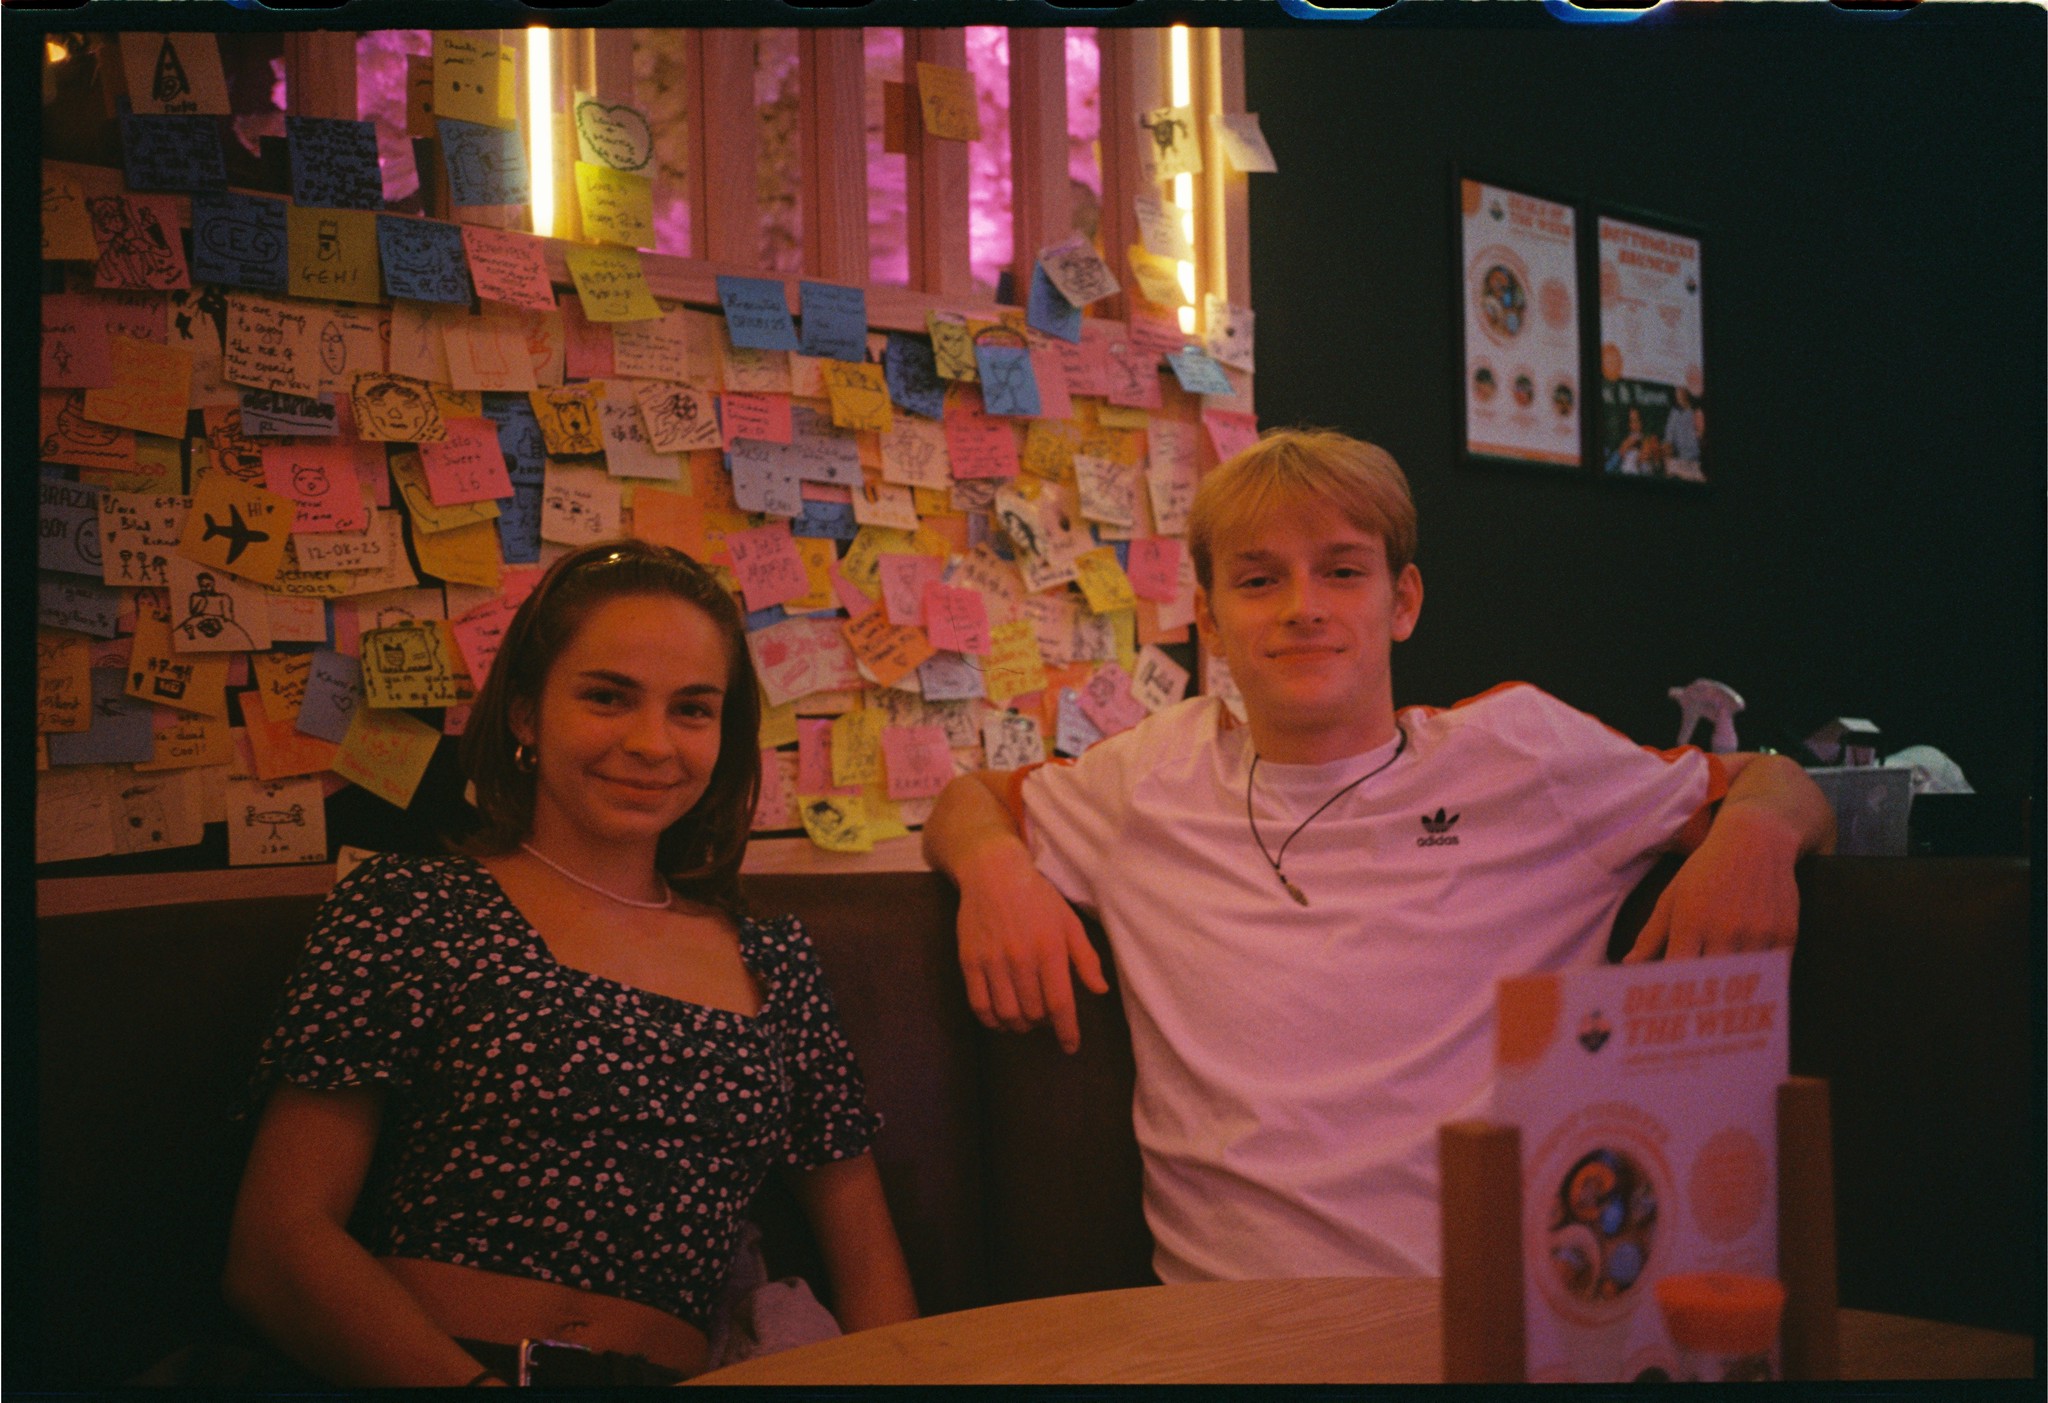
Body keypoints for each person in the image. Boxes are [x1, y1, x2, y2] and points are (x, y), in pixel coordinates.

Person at [922, 429, 1833, 1284]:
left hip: (1490, 1324)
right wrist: (994, 869)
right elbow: (967, 803)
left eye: (1343, 571)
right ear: (1210, 618)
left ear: (1403, 601)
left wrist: (1758, 833)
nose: (1303, 607)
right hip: (1225, 1332)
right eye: (1258, 580)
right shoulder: (1149, 777)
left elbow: (1780, 783)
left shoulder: (1525, 756)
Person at [224, 540, 917, 1386]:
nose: (652, 742)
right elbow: (278, 1243)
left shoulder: (775, 960)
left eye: (692, 709)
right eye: (607, 696)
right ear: (525, 714)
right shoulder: (411, 905)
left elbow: (867, 1259)